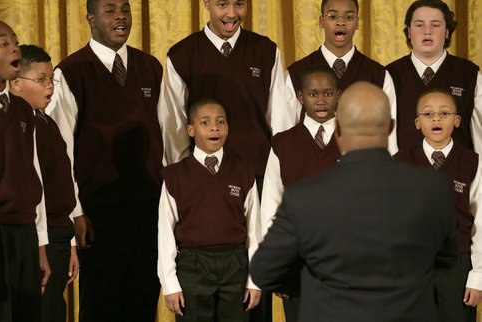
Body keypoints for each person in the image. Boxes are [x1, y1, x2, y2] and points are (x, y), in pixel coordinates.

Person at [250, 82, 460, 321]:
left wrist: (311, 280)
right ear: (390, 127)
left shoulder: (302, 196)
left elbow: (264, 271)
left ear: (337, 128)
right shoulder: (434, 187)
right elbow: (448, 257)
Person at [47, 0, 164, 321]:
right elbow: (61, 151)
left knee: (143, 297)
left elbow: (167, 136)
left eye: (125, 9)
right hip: (98, 211)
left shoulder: (149, 67)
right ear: (91, 19)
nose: (121, 17)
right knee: (102, 301)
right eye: (111, 10)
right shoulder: (70, 72)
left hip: (148, 204)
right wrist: (76, 213)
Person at [159, 0, 296, 178]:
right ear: (206, 2)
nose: (231, 14)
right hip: (203, 175)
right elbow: (173, 126)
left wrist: (279, 172)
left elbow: (280, 119)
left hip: (257, 173)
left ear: (247, 2)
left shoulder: (265, 51)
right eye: (222, 4)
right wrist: (185, 175)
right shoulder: (182, 55)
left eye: (239, 4)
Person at [0, 21, 50, 321]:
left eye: (15, 41)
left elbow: (33, 174)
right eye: (3, 43)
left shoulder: (23, 109)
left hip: (24, 235)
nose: (15, 47)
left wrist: (40, 245)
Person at [158, 98, 261, 321]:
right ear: (191, 130)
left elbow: (255, 230)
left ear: (227, 128)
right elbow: (165, 232)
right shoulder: (175, 175)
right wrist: (169, 283)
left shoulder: (243, 171)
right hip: (193, 264)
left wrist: (255, 280)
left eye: (220, 122)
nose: (214, 127)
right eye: (205, 123)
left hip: (235, 263)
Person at [260, 64, 341, 321]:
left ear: (339, 95)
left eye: (328, 93)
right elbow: (271, 206)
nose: (320, 100)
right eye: (313, 94)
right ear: (300, 96)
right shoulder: (283, 144)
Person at [394, 89, 482, 321]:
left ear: (457, 120)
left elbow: (480, 223)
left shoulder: (473, 162)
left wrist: (477, 276)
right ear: (416, 122)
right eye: (428, 113)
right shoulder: (399, 161)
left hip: (457, 267)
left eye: (444, 113)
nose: (436, 118)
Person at [9, 44, 81, 322]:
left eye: (52, 79)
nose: (50, 86)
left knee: (54, 309)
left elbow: (63, 181)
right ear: (16, 83)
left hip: (60, 233)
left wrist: (71, 241)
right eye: (41, 80)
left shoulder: (46, 122)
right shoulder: (16, 126)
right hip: (40, 237)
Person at [286, 0, 398, 154]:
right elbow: (287, 129)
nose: (341, 22)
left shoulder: (378, 75)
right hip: (309, 168)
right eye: (332, 16)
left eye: (349, 17)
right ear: (321, 21)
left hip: (361, 169)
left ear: (357, 22)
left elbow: (389, 138)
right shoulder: (297, 72)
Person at [387, 0, 481, 153]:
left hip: (458, 174)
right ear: (409, 31)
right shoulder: (389, 75)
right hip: (404, 173)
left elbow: (479, 134)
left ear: (447, 32)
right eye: (419, 25)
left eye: (435, 25)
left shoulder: (470, 75)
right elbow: (386, 136)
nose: (427, 31)